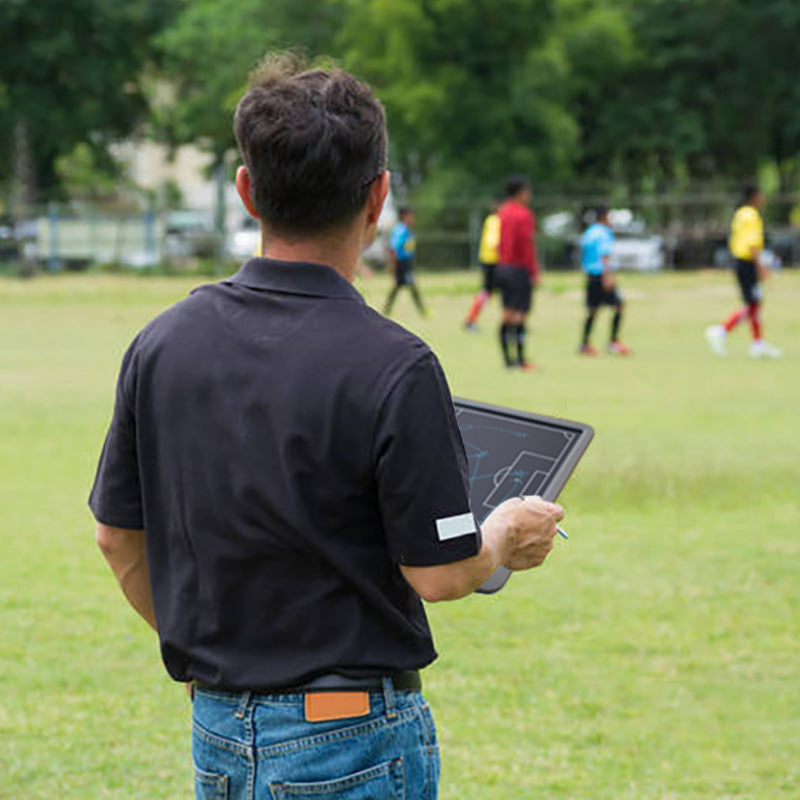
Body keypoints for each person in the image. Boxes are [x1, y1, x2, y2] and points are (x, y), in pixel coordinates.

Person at [89, 52, 564, 800]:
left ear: (247, 191)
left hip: (216, 727)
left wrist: (226, 671)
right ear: (377, 199)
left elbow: (118, 537)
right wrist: (504, 534)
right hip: (352, 739)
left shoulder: (162, 342)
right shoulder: (395, 364)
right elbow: (439, 573)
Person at [706, 183, 782, 358]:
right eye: (761, 194)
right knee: (753, 304)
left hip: (740, 262)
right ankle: (722, 331)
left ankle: (756, 342)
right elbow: (752, 244)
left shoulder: (740, 214)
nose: (764, 198)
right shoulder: (752, 215)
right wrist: (761, 266)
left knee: (754, 304)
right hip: (748, 263)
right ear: (754, 196)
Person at [494, 176, 539, 370]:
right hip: (518, 268)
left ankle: (507, 360)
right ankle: (521, 360)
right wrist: (533, 271)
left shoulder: (502, 212)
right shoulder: (524, 214)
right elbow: (526, 244)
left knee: (506, 313)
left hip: (502, 266)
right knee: (520, 314)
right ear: (521, 192)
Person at [578, 207, 632, 356]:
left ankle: (584, 344)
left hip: (590, 274)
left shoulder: (589, 233)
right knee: (619, 306)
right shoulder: (604, 233)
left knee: (593, 310)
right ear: (604, 217)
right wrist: (608, 276)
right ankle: (613, 342)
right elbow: (604, 255)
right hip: (602, 274)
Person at [464, 201, 501, 330]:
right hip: (493, 261)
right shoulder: (496, 221)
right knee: (487, 292)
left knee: (488, 292)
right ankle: (470, 320)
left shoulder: (490, 219)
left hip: (489, 260)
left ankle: (471, 319)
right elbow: (494, 242)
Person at [383, 206, 426, 316]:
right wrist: (392, 266)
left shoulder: (406, 229)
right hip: (401, 264)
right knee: (410, 286)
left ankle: (386, 310)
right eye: (411, 216)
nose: (413, 219)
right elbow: (393, 248)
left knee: (399, 287)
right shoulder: (401, 230)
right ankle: (422, 311)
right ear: (405, 217)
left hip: (406, 263)